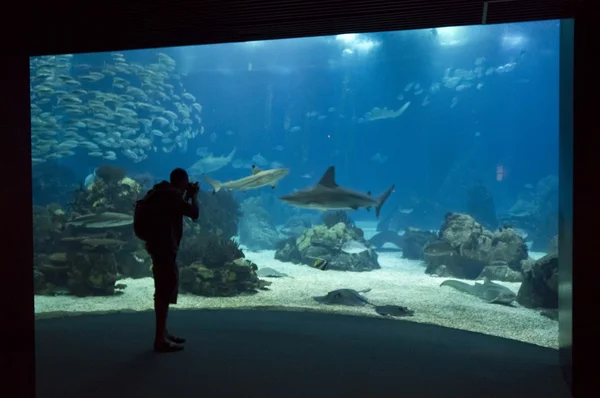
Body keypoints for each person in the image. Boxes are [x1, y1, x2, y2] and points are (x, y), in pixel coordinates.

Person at [138, 168, 199, 353]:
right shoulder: (171, 196)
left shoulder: (161, 193)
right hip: (164, 248)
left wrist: (186, 195)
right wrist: (194, 196)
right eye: (186, 182)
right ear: (182, 181)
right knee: (164, 290)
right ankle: (159, 340)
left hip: (158, 247)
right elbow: (194, 214)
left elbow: (177, 210)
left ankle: (163, 333)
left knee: (162, 289)